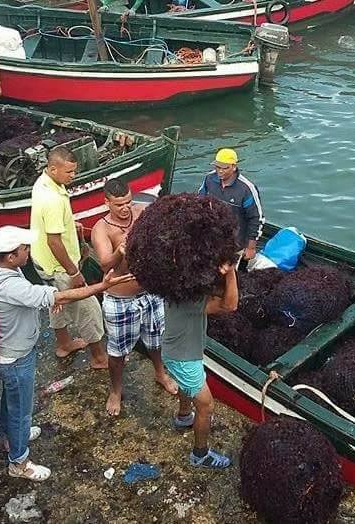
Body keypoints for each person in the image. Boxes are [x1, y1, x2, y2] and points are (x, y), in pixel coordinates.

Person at [0, 226, 134, 482]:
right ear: (10, 256)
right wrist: (102, 286)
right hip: (16, 356)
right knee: (21, 408)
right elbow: (62, 296)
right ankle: (18, 462)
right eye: (24, 249)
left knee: (11, 400)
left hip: (6, 349)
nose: (28, 252)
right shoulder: (12, 287)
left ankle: (11, 436)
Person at [91, 179, 178, 416]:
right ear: (106, 202)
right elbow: (105, 264)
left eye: (128, 202)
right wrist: (120, 252)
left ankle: (160, 373)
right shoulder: (102, 229)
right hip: (121, 299)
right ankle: (116, 390)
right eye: (119, 204)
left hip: (150, 292)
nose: (125, 208)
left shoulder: (141, 212)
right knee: (118, 351)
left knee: (157, 340)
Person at [30, 146, 108, 369]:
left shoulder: (42, 182)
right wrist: (74, 272)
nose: (73, 176)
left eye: (74, 171)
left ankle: (64, 344)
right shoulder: (53, 199)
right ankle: (99, 358)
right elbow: (54, 241)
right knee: (88, 308)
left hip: (41, 260)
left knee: (57, 302)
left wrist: (68, 225)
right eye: (69, 172)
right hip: (58, 265)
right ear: (53, 169)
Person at [163, 263, 238, 469]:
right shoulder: (191, 301)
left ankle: (184, 417)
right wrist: (231, 272)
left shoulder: (175, 290)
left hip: (179, 353)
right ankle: (200, 455)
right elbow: (230, 305)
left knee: (187, 386)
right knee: (206, 406)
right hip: (183, 359)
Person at [198, 148, 264, 266]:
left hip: (235, 242)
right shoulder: (209, 179)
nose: (220, 171)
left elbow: (256, 218)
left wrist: (251, 248)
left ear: (234, 167)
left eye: (225, 168)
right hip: (212, 237)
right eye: (218, 167)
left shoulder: (246, 189)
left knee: (228, 274)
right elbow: (200, 201)